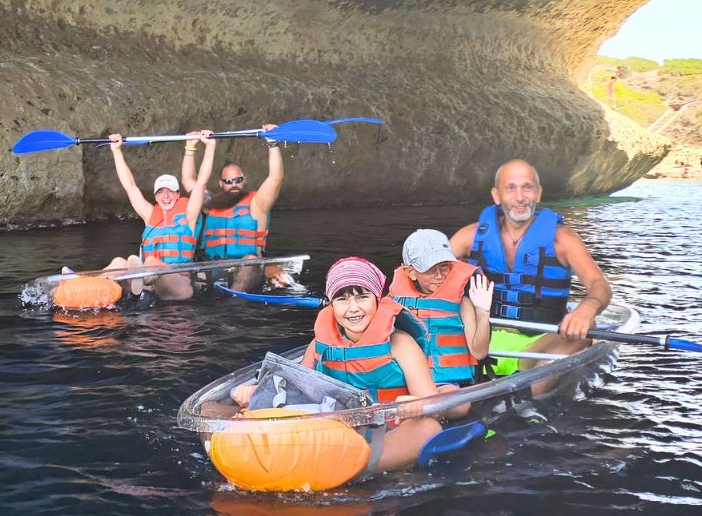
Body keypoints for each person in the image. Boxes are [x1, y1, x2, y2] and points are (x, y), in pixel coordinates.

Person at [232, 257, 451, 476]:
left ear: (377, 300)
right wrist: (257, 394)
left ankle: (348, 467)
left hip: (389, 431)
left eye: (362, 297)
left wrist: (416, 404)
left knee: (429, 428)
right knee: (221, 411)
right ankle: (322, 464)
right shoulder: (319, 345)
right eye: (342, 299)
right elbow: (296, 393)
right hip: (334, 433)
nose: (353, 308)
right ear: (331, 303)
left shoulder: (401, 344)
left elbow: (434, 406)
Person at [450, 161, 613, 386]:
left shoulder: (562, 239)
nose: (520, 197)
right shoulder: (468, 237)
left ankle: (532, 400)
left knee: (588, 328)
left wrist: (586, 309)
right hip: (478, 339)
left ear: (538, 193)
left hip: (538, 345)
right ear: (496, 196)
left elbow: (599, 285)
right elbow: (428, 277)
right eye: (510, 188)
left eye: (527, 187)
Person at [103, 130, 215, 301]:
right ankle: (80, 284)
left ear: (178, 195)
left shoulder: (189, 214)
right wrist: (116, 150)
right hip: (151, 286)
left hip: (180, 283)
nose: (166, 196)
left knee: (151, 262)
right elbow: (130, 186)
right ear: (155, 197)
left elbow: (201, 182)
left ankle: (139, 279)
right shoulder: (150, 215)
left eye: (170, 192)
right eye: (161, 192)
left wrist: (209, 147)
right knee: (118, 262)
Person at [181, 125, 285, 292]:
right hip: (214, 267)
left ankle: (234, 298)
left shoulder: (257, 203)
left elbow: (276, 178)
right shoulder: (211, 204)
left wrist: (273, 144)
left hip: (247, 268)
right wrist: (190, 147)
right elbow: (188, 181)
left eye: (238, 180)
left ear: (244, 180)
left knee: (250, 259)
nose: (234, 184)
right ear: (221, 184)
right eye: (229, 181)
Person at [388, 229, 494, 389]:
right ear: (411, 272)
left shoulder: (462, 304)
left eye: (444, 266)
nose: (439, 276)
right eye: (430, 269)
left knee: (459, 405)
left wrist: (483, 313)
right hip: (403, 385)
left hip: (446, 385)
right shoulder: (392, 302)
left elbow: (479, 352)